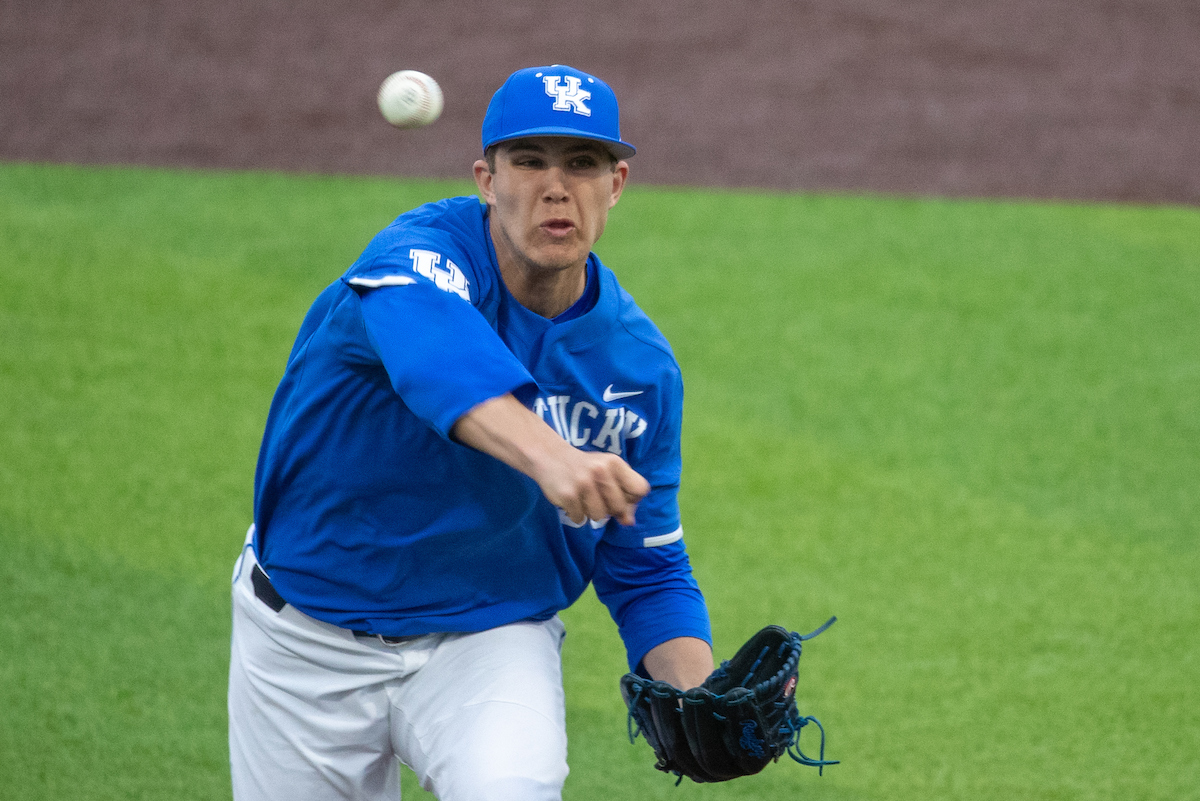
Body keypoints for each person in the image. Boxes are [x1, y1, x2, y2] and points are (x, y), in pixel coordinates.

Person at [228, 64, 714, 801]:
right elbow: (437, 365)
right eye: (529, 161)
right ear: (486, 179)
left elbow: (645, 566)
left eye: (582, 164)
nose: (557, 187)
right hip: (306, 639)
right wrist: (553, 456)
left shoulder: (637, 368)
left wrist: (698, 692)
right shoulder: (414, 259)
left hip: (490, 641)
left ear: (615, 185)